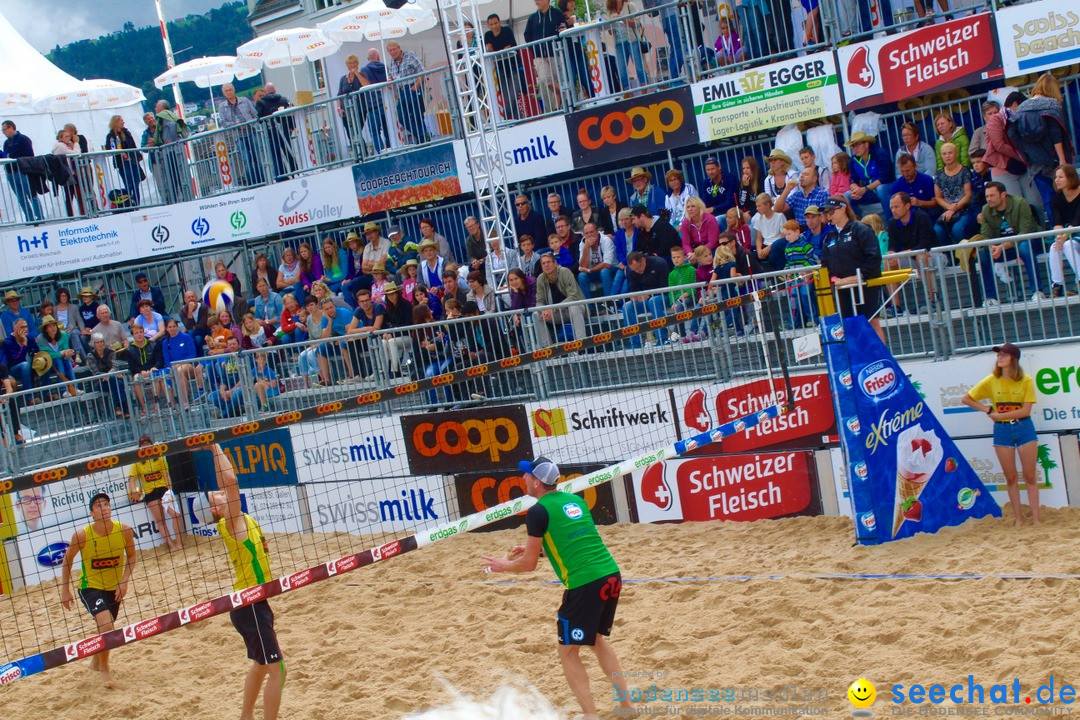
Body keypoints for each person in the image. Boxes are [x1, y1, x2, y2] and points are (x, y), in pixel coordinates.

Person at [482, 456, 633, 720]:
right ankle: (626, 706)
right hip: (610, 574)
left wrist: (503, 565)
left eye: (528, 475)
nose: (524, 478)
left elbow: (528, 566)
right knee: (597, 640)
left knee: (567, 650)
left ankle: (590, 715)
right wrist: (539, 551)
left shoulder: (538, 511)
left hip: (584, 583)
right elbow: (573, 541)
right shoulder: (576, 501)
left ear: (537, 482)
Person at [198, 443, 284, 720]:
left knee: (260, 666)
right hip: (248, 606)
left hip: (255, 602)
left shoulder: (244, 519)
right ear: (216, 510)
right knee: (278, 671)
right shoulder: (231, 522)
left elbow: (230, 485)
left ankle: (245, 716)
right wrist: (214, 447)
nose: (222, 493)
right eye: (217, 496)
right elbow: (232, 481)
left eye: (220, 493)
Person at [59, 492, 136, 688]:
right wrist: (65, 590)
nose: (104, 508)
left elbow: (132, 558)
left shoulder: (124, 530)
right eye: (98, 506)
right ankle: (105, 669)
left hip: (114, 588)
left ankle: (95, 662)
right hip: (90, 587)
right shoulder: (82, 535)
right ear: (92, 513)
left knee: (105, 629)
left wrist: (124, 581)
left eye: (106, 504)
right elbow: (67, 561)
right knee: (107, 626)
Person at [961, 343, 1040, 526]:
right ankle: (1018, 519)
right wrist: (987, 410)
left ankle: (1036, 519)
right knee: (1010, 477)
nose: (999, 357)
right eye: (999, 354)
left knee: (1030, 476)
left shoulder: (1025, 380)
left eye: (1004, 354)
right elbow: (966, 398)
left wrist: (999, 415)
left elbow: (1026, 411)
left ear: (1013, 358)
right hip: (1002, 430)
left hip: (1023, 427)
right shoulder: (992, 380)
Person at [1008, 74, 1074, 228]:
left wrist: (1025, 153)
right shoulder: (1052, 105)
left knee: (1048, 200)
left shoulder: (1021, 107)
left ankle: (1056, 235)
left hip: (1034, 163)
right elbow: (1055, 133)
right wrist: (1063, 161)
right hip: (1055, 161)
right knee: (1068, 196)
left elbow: (1012, 133)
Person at [819, 196, 884, 341]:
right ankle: (859, 359)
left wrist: (858, 277)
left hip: (866, 285)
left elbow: (874, 257)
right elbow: (825, 263)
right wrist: (833, 278)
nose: (828, 216)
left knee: (872, 322)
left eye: (831, 212)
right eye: (826, 213)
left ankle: (881, 359)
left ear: (843, 209)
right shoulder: (829, 236)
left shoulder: (861, 229)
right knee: (849, 324)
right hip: (843, 287)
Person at [976, 182, 1046, 307]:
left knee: (1024, 247)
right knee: (983, 253)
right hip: (1004, 247)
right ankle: (990, 297)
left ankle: (1037, 291)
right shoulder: (986, 209)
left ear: (1003, 195)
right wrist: (992, 247)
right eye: (987, 196)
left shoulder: (1020, 203)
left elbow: (1025, 231)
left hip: (1030, 240)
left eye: (992, 196)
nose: (989, 199)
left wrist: (1002, 247)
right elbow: (986, 235)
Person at [885, 192, 937, 316]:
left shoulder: (921, 217)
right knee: (887, 260)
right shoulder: (892, 223)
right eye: (892, 207)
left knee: (921, 256)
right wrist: (892, 254)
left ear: (907, 206)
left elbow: (925, 245)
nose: (893, 210)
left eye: (896, 207)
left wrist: (900, 254)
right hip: (910, 257)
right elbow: (892, 245)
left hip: (934, 254)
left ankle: (932, 302)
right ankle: (896, 307)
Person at [128, 435, 183, 551]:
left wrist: (170, 490)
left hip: (163, 490)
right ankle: (171, 545)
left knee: (176, 515)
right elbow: (131, 479)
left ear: (151, 445)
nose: (146, 446)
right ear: (140, 448)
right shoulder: (138, 462)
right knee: (160, 520)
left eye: (148, 444)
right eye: (143, 445)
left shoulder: (160, 457)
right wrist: (133, 491)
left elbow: (166, 475)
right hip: (150, 493)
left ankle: (179, 543)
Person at [535, 252, 587, 346]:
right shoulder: (540, 279)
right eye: (543, 263)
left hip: (575, 309)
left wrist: (553, 308)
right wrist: (544, 310)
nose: (546, 265)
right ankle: (548, 350)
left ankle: (581, 344)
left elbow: (573, 296)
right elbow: (539, 301)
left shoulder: (565, 272)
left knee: (573, 307)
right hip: (556, 313)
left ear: (555, 263)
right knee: (536, 314)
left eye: (548, 262)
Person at [523, 0, 567, 112]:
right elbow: (527, 34)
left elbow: (563, 29)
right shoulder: (533, 17)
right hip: (539, 55)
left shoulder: (556, 13)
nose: (536, 1)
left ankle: (558, 107)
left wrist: (557, 41)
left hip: (554, 52)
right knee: (545, 78)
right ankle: (567, 94)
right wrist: (534, 48)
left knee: (556, 79)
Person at [621, 251, 669, 348]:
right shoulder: (631, 270)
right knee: (627, 306)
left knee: (653, 301)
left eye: (638, 267)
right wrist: (634, 296)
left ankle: (662, 339)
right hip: (646, 300)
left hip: (664, 297)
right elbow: (633, 289)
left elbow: (665, 287)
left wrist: (649, 295)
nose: (637, 271)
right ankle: (634, 343)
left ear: (643, 260)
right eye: (634, 270)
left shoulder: (659, 263)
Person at [932, 142, 977, 246]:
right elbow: (938, 197)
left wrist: (955, 208)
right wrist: (950, 208)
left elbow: (968, 194)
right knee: (937, 230)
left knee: (958, 229)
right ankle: (949, 258)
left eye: (950, 153)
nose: (947, 156)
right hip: (947, 210)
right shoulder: (938, 175)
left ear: (956, 154)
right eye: (944, 154)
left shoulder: (965, 171)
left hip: (965, 209)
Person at [485, 13, 527, 121]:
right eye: (491, 24)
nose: (494, 26)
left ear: (499, 22)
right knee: (507, 95)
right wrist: (499, 51)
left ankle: (506, 116)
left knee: (512, 95)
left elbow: (511, 47)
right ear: (488, 25)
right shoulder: (488, 35)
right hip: (500, 70)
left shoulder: (507, 31)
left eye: (495, 23)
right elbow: (490, 51)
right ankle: (518, 118)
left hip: (514, 66)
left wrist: (495, 51)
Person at [386, 41, 429, 145]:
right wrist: (390, 80)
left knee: (417, 116)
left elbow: (422, 71)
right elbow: (393, 76)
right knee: (402, 117)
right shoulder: (392, 62)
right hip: (401, 91)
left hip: (412, 88)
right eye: (390, 50)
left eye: (394, 49)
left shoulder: (409, 56)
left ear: (399, 48)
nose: (393, 52)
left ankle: (422, 140)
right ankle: (423, 135)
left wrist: (417, 84)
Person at [219, 83, 263, 185]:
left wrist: (249, 123)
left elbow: (255, 114)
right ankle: (252, 183)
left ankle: (262, 180)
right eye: (226, 91)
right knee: (246, 160)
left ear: (234, 90)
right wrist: (235, 125)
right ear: (224, 93)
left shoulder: (245, 101)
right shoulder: (222, 107)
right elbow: (223, 122)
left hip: (252, 132)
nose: (229, 92)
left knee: (258, 158)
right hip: (238, 136)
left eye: (230, 89)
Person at [1, 120, 41, 222]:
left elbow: (29, 155)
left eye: (4, 130)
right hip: (11, 173)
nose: (3, 132)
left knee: (31, 195)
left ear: (11, 128)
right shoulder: (7, 143)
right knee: (21, 198)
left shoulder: (23, 139)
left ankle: (39, 217)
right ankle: (29, 218)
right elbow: (6, 155)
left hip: (22, 171)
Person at [153, 100, 191, 204]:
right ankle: (183, 196)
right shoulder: (171, 114)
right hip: (176, 148)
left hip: (170, 150)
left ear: (161, 107)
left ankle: (176, 199)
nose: (155, 108)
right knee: (179, 173)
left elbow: (172, 126)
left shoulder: (163, 115)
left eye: (156, 106)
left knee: (173, 175)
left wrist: (169, 139)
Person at [1050, 164, 1080, 297]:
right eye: (1056, 177)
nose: (1057, 180)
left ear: (1071, 177)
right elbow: (1058, 222)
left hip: (1076, 231)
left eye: (1061, 177)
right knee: (1055, 247)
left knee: (1068, 245)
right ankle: (1057, 285)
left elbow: (1077, 219)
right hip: (1068, 233)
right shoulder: (1056, 199)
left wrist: (1065, 236)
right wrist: (1059, 237)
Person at [256, 83, 297, 181]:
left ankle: (281, 176)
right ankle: (296, 172)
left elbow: (259, 118)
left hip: (270, 132)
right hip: (285, 129)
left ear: (265, 92)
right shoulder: (284, 100)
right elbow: (292, 112)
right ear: (274, 90)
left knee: (276, 154)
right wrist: (292, 126)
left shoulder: (261, 102)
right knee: (289, 152)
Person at [606, 0, 649, 91]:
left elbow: (637, 23)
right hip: (618, 43)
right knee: (621, 72)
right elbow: (610, 31)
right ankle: (628, 94)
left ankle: (645, 91)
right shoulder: (610, 10)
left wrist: (624, 20)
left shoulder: (629, 5)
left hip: (632, 40)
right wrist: (611, 24)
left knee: (639, 68)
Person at [126, 323, 167, 415]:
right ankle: (144, 407)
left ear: (144, 333)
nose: (139, 334)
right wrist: (141, 371)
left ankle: (156, 404)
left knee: (155, 376)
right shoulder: (130, 350)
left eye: (141, 332)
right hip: (139, 372)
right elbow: (132, 366)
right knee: (136, 379)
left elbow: (159, 359)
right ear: (133, 335)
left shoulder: (153, 344)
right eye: (136, 333)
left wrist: (153, 367)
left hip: (152, 369)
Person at [104, 115, 142, 207]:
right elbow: (110, 148)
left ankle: (137, 204)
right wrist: (120, 153)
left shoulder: (127, 132)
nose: (123, 122)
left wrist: (138, 155)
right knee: (128, 184)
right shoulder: (111, 135)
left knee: (136, 184)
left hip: (132, 160)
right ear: (115, 122)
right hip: (122, 163)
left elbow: (133, 145)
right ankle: (130, 203)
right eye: (121, 121)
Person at [846, 131, 889, 212]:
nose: (855, 148)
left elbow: (884, 178)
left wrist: (864, 190)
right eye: (853, 146)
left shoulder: (880, 154)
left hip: (883, 187)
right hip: (866, 191)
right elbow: (853, 179)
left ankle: (889, 222)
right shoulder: (853, 160)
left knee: (881, 190)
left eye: (858, 145)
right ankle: (857, 223)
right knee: (847, 196)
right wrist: (855, 189)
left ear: (866, 144)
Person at [891, 154, 940, 222]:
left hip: (927, 217)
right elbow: (894, 207)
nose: (905, 174)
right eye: (902, 171)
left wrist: (920, 202)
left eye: (908, 170)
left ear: (915, 166)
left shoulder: (927, 180)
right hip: (906, 219)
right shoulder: (896, 185)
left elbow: (936, 202)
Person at [576, 222, 617, 299]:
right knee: (582, 276)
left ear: (597, 232)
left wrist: (590, 270)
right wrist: (586, 248)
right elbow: (583, 266)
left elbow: (607, 264)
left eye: (592, 232)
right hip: (594, 272)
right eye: (587, 233)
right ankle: (590, 308)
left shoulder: (606, 240)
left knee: (604, 271)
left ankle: (608, 303)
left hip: (612, 269)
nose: (590, 235)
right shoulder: (583, 243)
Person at [751, 193, 785, 270]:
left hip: (776, 246)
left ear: (768, 205)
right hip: (765, 245)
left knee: (774, 256)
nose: (757, 208)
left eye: (759, 206)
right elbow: (758, 238)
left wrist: (769, 248)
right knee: (750, 256)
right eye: (757, 206)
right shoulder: (759, 219)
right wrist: (759, 250)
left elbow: (783, 237)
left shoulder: (779, 216)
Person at [141, 112, 168, 203]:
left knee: (170, 180)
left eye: (152, 117)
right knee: (160, 184)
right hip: (154, 161)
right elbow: (143, 147)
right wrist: (149, 146)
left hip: (166, 158)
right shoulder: (146, 133)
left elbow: (167, 140)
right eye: (148, 119)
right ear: (145, 122)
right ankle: (165, 201)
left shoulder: (161, 129)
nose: (151, 120)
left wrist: (156, 141)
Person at [700, 157, 735, 223]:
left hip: (730, 213)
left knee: (717, 220)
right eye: (708, 170)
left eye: (712, 169)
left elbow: (730, 202)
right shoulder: (706, 183)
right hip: (714, 214)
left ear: (719, 167)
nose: (710, 172)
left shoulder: (729, 179)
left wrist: (713, 209)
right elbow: (705, 202)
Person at [737, 157, 763, 222]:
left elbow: (763, 202)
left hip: (758, 211)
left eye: (748, 168)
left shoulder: (761, 180)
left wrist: (751, 213)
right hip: (746, 212)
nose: (745, 170)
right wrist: (745, 187)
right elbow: (742, 204)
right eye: (743, 168)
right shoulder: (744, 181)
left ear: (753, 169)